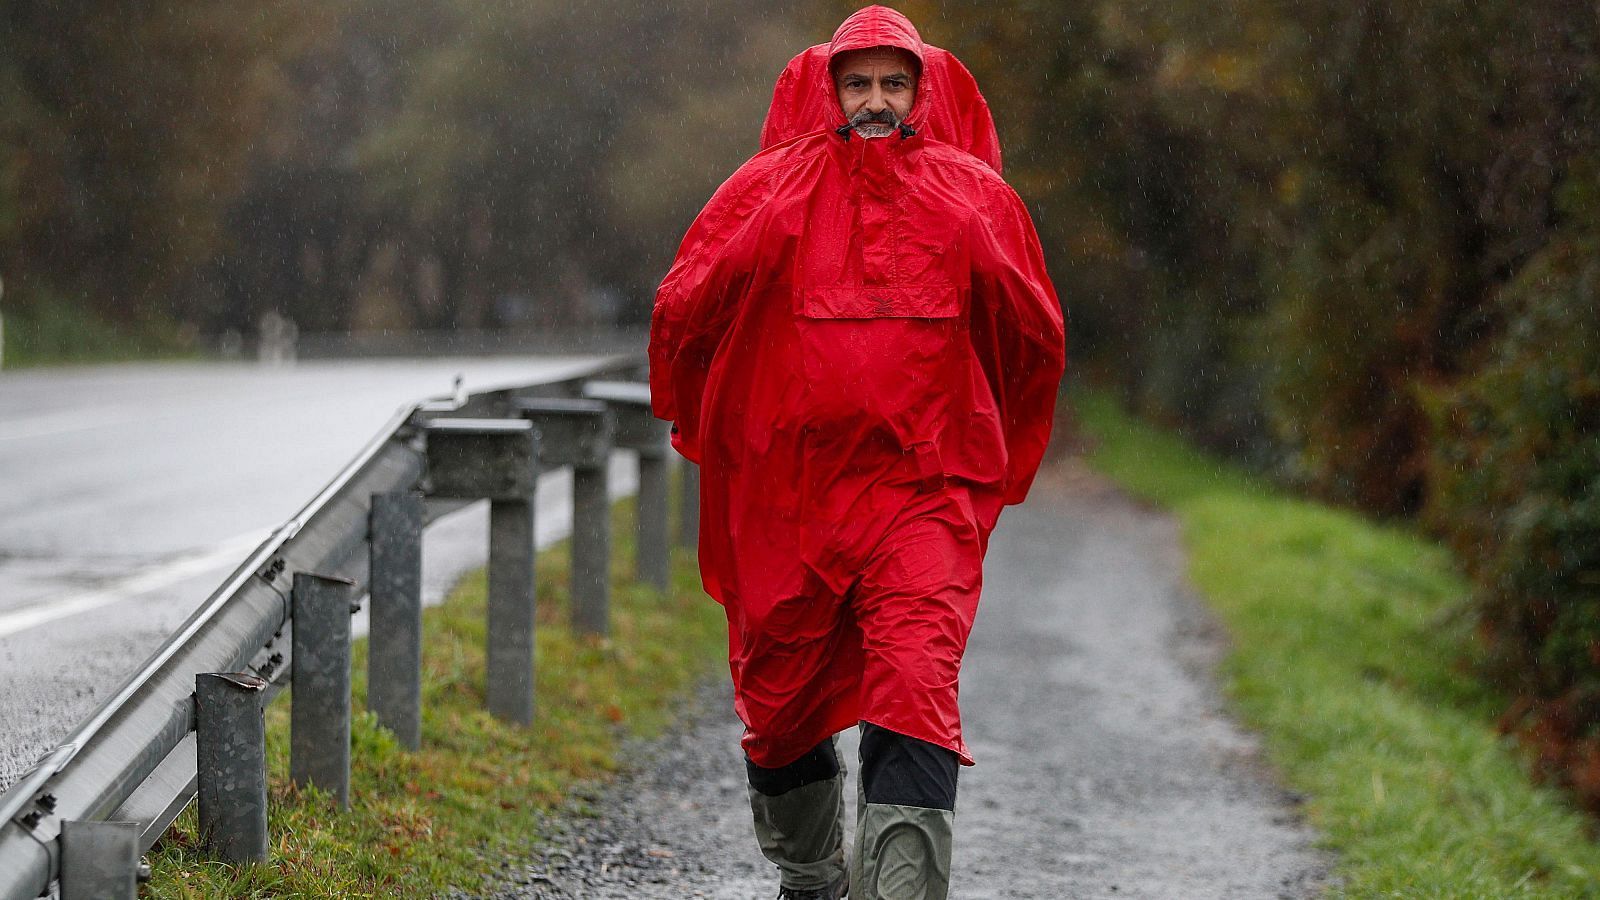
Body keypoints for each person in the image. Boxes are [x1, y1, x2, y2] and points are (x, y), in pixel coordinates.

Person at [649, 6, 1064, 898]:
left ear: (923, 88)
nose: (876, 101)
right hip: (788, 498)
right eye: (858, 82)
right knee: (779, 706)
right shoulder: (764, 192)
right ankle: (811, 876)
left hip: (924, 491)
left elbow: (1031, 334)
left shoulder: (974, 199)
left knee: (916, 682)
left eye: (894, 82)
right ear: (829, 87)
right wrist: (708, 424)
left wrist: (998, 450)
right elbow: (686, 307)